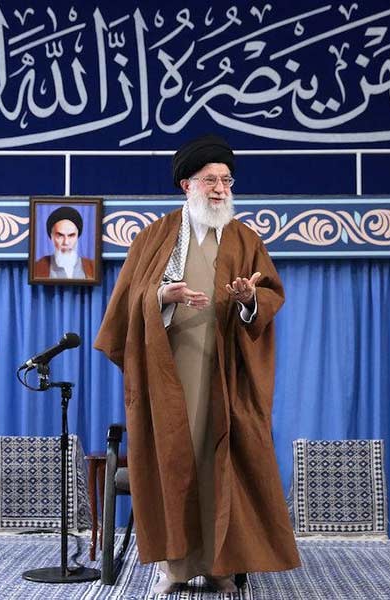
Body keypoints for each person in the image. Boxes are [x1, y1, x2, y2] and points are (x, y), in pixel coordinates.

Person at [94, 134, 300, 594]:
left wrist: (249, 299)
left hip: (225, 376)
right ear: (186, 184)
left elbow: (269, 297)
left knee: (219, 468)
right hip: (169, 377)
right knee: (173, 468)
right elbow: (124, 311)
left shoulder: (247, 240)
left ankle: (221, 565)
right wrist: (160, 299)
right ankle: (175, 567)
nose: (220, 189)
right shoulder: (153, 239)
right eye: (210, 180)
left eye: (226, 180)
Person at [34, 206, 95, 279]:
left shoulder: (92, 267)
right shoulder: (38, 268)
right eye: (60, 236)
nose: (66, 242)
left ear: (77, 236)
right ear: (52, 237)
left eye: (71, 235)